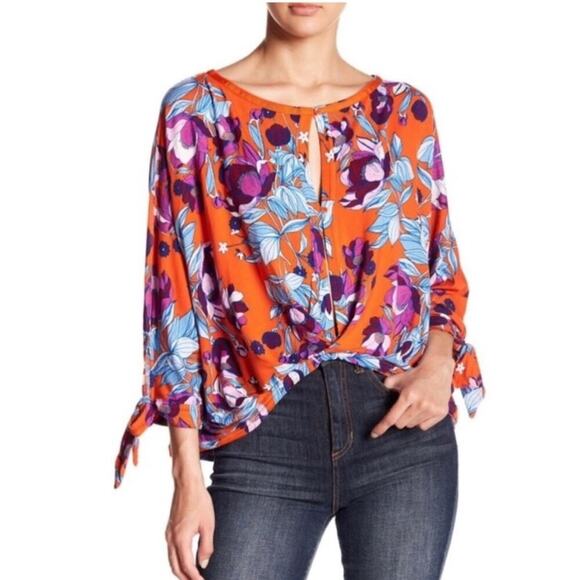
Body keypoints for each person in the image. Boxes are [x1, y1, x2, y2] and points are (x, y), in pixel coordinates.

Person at [113, 3, 486, 579]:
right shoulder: (196, 110)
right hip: (263, 430)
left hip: (401, 429)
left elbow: (438, 264)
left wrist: (439, 367)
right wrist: (186, 474)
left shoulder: (403, 111)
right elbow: (173, 295)